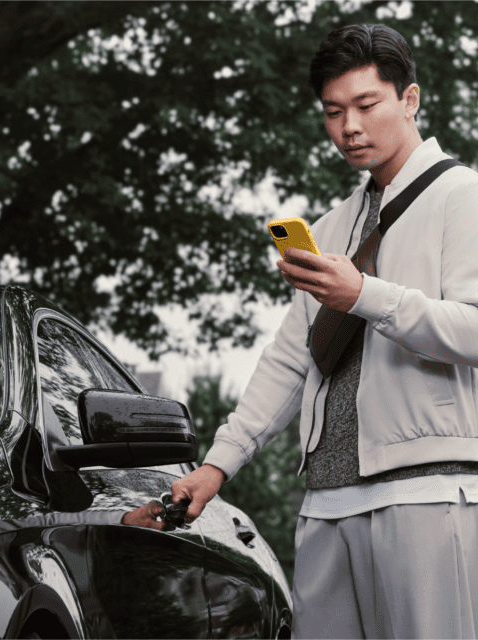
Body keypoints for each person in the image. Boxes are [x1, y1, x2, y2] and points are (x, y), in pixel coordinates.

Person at [171, 22, 478, 639]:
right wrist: (218, 465)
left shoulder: (462, 195)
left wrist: (364, 295)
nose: (350, 128)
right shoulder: (333, 225)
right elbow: (290, 361)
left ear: (409, 100)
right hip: (326, 500)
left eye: (366, 105)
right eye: (334, 112)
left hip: (427, 489)